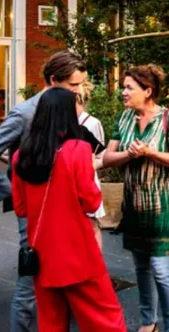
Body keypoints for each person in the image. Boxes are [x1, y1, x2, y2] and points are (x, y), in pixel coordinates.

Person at [0, 50, 87, 332]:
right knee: (29, 279)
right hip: (35, 211)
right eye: (74, 85)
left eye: (81, 84)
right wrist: (13, 195)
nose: (79, 90)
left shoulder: (69, 107)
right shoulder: (24, 113)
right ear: (52, 80)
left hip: (66, 207)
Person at [12, 88, 126, 332]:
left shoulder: (21, 156)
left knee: (51, 322)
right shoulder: (78, 150)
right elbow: (91, 202)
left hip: (40, 251)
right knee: (105, 318)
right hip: (78, 250)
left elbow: (20, 207)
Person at [102, 65, 169, 332]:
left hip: (161, 207)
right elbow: (106, 158)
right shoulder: (123, 119)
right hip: (133, 208)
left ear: (148, 91)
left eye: (129, 87)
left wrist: (150, 152)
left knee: (162, 271)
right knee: (140, 268)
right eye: (123, 87)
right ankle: (148, 322)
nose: (123, 92)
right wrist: (129, 154)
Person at [76, 82, 106, 250]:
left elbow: (101, 152)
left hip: (88, 179)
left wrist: (91, 167)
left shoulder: (92, 123)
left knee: (92, 225)